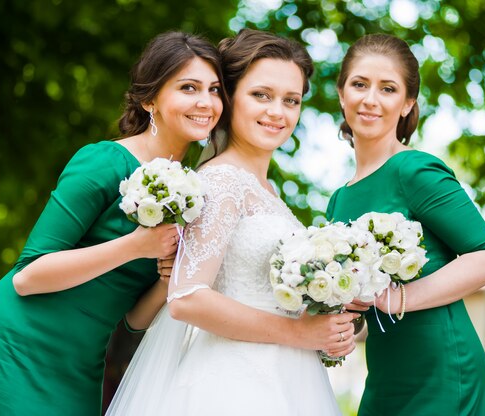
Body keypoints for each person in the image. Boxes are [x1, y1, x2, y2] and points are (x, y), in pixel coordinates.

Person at [0, 31, 225, 416]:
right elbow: (28, 276)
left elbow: (134, 320)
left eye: (214, 89)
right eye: (189, 87)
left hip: (83, 362)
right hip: (18, 344)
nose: (205, 103)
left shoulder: (194, 193)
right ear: (149, 99)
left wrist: (168, 277)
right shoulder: (104, 162)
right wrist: (137, 246)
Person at [106, 29, 361, 416]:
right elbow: (187, 298)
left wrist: (325, 321)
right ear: (229, 98)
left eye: (290, 100)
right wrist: (299, 333)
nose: (278, 111)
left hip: (288, 378)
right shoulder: (221, 181)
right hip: (233, 386)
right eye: (261, 95)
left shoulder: (268, 192)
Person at [327, 33, 485, 415]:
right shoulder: (338, 200)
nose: (370, 99)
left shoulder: (415, 170)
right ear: (342, 93)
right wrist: (342, 325)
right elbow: (363, 306)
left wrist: (397, 299)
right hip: (385, 373)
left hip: (442, 369)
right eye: (359, 84)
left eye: (388, 88)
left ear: (407, 103)